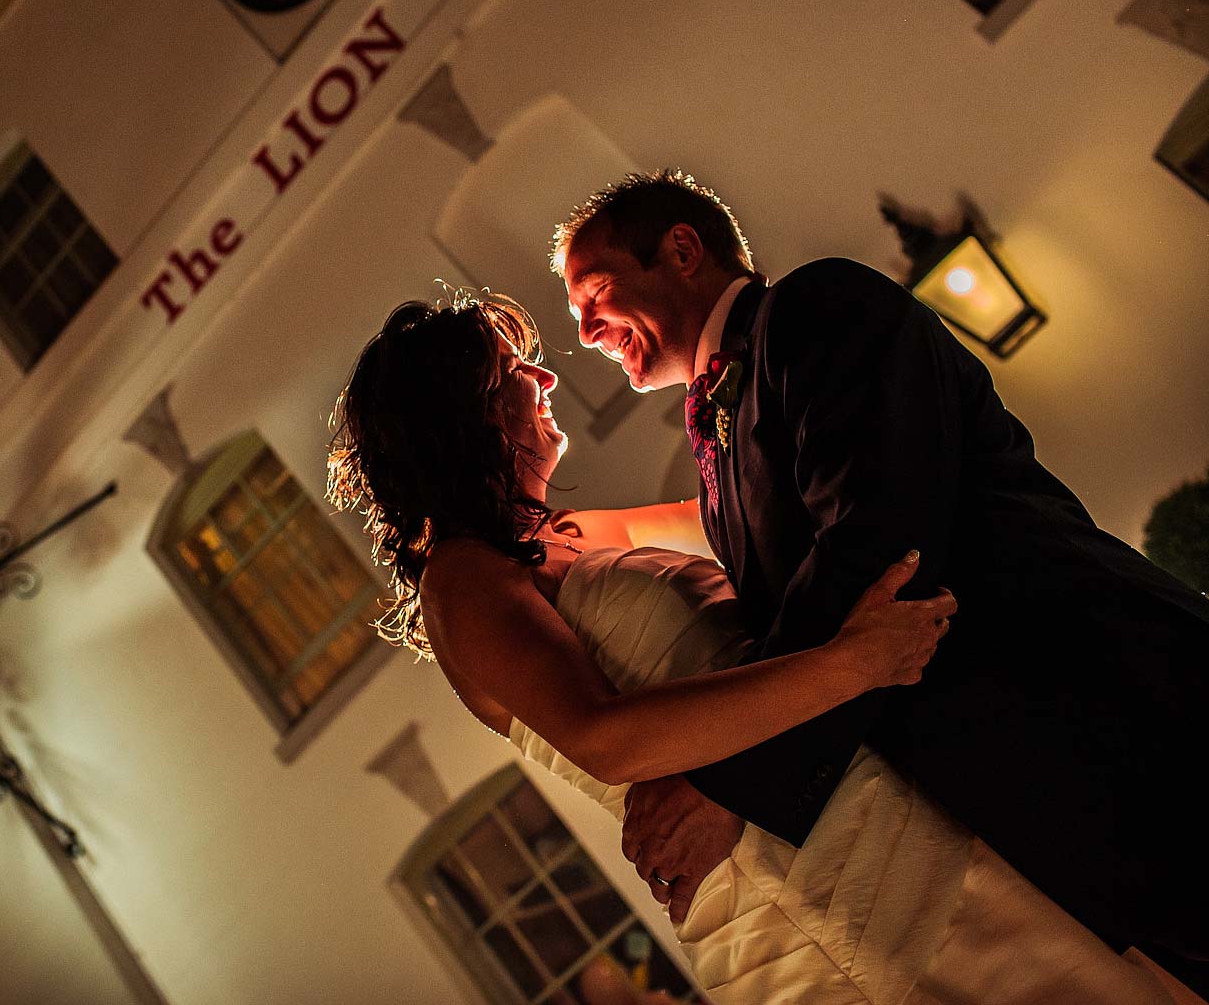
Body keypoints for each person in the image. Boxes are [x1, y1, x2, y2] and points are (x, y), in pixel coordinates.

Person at [328, 294, 1184, 1004]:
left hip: (884, 808)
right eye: (514, 369)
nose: (546, 375)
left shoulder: (573, 535)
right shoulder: (463, 582)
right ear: (461, 412)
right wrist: (849, 662)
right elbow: (602, 735)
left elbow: (752, 504)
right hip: (815, 895)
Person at [552, 169, 1208, 991]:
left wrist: (730, 782)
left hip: (1111, 701)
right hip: (1030, 792)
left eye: (597, 293)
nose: (584, 332)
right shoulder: (715, 444)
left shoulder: (818, 307)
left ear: (681, 250)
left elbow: (880, 544)